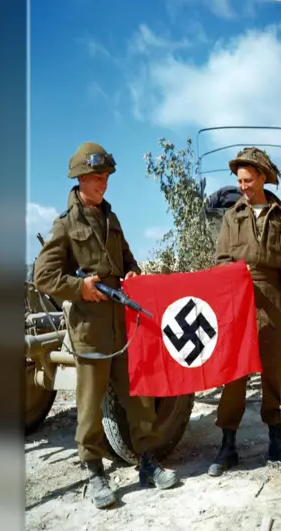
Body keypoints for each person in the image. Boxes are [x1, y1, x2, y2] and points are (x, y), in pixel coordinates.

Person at [33, 142, 179, 508]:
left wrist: (132, 271)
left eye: (107, 176)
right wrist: (79, 288)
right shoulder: (65, 226)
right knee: (89, 405)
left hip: (122, 329)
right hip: (90, 332)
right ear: (81, 178)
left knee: (140, 400)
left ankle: (148, 462)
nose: (104, 183)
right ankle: (94, 472)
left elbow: (129, 260)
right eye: (98, 176)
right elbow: (44, 276)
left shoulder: (112, 220)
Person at [208, 147, 281, 476]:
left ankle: (276, 441)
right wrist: (232, 281)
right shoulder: (231, 216)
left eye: (248, 180)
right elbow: (221, 261)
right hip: (238, 302)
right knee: (234, 374)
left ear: (263, 177)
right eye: (239, 180)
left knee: (274, 373)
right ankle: (228, 443)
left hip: (273, 302)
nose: (243, 186)